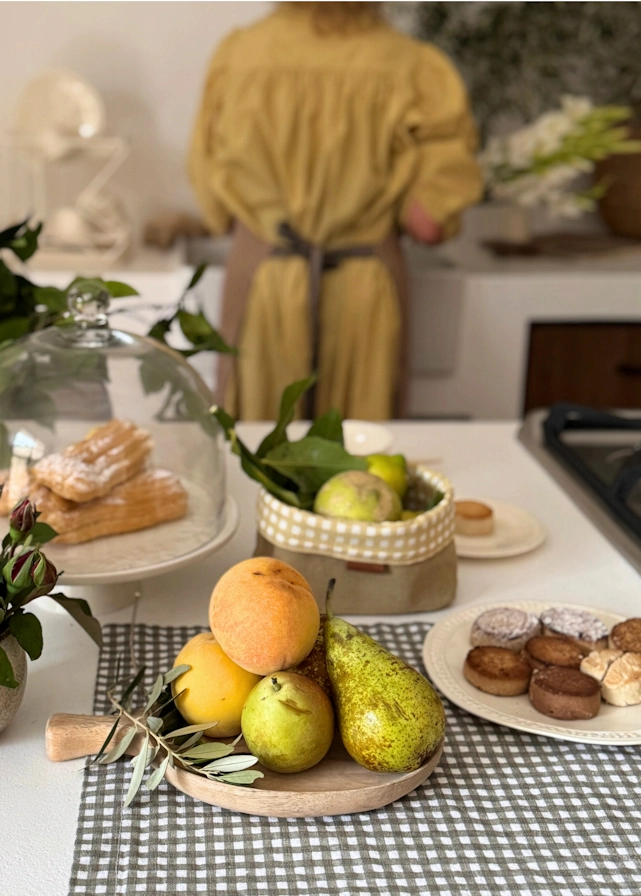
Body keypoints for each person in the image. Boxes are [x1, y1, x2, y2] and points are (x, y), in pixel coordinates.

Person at [188, 2, 482, 421]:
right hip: (364, 292)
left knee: (261, 442)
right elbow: (428, 225)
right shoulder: (415, 67)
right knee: (360, 449)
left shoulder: (237, 56)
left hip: (265, 286)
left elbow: (217, 208)